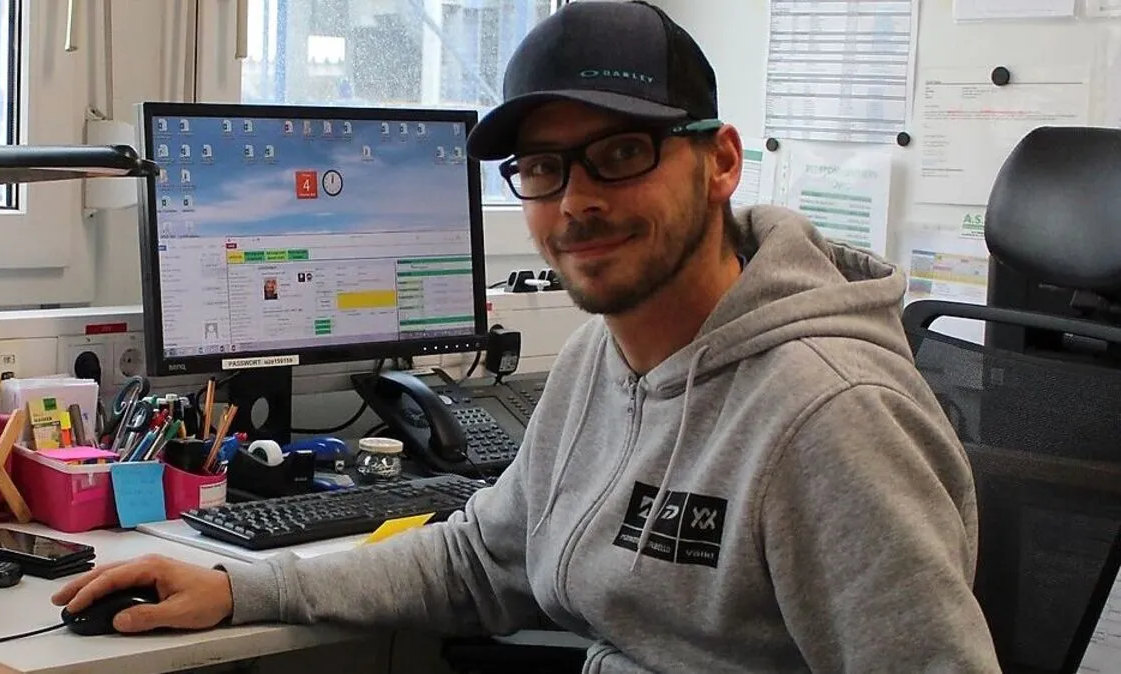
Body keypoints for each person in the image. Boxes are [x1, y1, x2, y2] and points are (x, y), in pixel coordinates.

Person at [53, 2, 1002, 671]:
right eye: (543, 167)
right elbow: (480, 558)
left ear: (719, 162)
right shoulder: (601, 355)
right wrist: (245, 590)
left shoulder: (829, 417)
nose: (578, 201)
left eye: (621, 153)